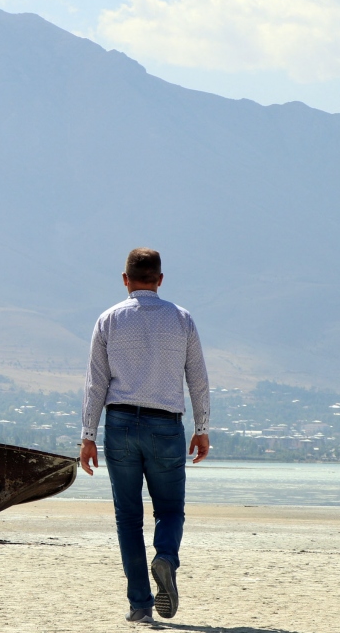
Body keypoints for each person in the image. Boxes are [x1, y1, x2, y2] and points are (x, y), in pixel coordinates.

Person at [80, 247, 210, 624]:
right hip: (166, 425)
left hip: (120, 425)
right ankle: (166, 558)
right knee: (169, 510)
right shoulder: (181, 319)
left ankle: (140, 605)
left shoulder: (108, 320)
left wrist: (88, 436)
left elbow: (95, 384)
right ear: (160, 279)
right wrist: (202, 429)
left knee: (128, 517)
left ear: (125, 280)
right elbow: (198, 380)